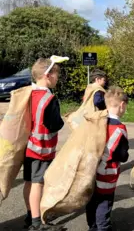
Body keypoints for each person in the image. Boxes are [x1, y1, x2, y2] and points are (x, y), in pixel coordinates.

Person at [23, 57, 66, 231]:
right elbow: (56, 124)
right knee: (38, 184)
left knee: (28, 182)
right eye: (56, 75)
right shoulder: (49, 99)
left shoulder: (29, 94)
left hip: (28, 147)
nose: (57, 79)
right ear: (48, 76)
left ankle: (29, 215)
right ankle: (36, 223)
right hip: (41, 149)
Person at [85, 86, 130, 231]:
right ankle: (103, 227)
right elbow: (122, 155)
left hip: (91, 169)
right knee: (104, 201)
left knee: (92, 200)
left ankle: (92, 226)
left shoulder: (97, 121)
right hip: (107, 172)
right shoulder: (120, 128)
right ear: (122, 105)